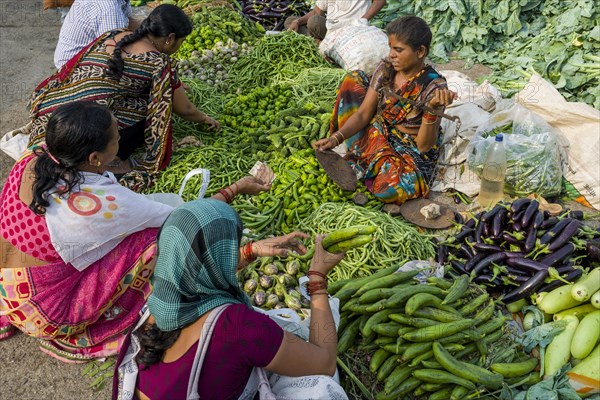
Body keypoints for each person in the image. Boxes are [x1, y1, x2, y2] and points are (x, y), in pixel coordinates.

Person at [0, 101, 274, 361]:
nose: (120, 140)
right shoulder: (99, 203)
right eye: (116, 138)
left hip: (8, 287)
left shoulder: (35, 156)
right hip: (49, 312)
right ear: (94, 158)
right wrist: (235, 189)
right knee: (156, 240)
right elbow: (184, 218)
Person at [113, 199, 348, 400]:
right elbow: (324, 363)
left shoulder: (160, 302)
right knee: (320, 388)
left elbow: (195, 271)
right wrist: (317, 280)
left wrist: (250, 251)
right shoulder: (236, 325)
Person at [21, 4, 218, 192]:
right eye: (180, 42)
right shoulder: (158, 63)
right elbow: (185, 109)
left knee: (136, 97)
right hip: (79, 132)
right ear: (170, 38)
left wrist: (174, 84)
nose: (179, 47)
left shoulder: (113, 34)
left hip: (53, 117)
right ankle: (117, 163)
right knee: (153, 106)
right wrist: (206, 119)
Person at [313, 16, 457, 205]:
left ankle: (362, 162)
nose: (391, 55)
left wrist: (432, 110)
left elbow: (424, 146)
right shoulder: (386, 70)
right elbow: (364, 114)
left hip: (408, 148)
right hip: (379, 128)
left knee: (391, 188)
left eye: (398, 50)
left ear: (420, 51)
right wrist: (336, 138)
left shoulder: (433, 87)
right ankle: (363, 159)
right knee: (353, 80)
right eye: (390, 48)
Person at [54, 0, 139, 70]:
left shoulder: (120, 2)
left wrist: (149, 29)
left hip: (92, 53)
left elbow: (129, 20)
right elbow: (113, 51)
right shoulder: (108, 6)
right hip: (72, 67)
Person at [286, 0, 386, 41]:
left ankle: (319, 43)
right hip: (331, 29)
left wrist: (363, 19)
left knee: (314, 21)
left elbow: (380, 1)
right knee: (290, 21)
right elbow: (317, 11)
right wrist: (297, 22)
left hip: (353, 30)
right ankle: (320, 42)